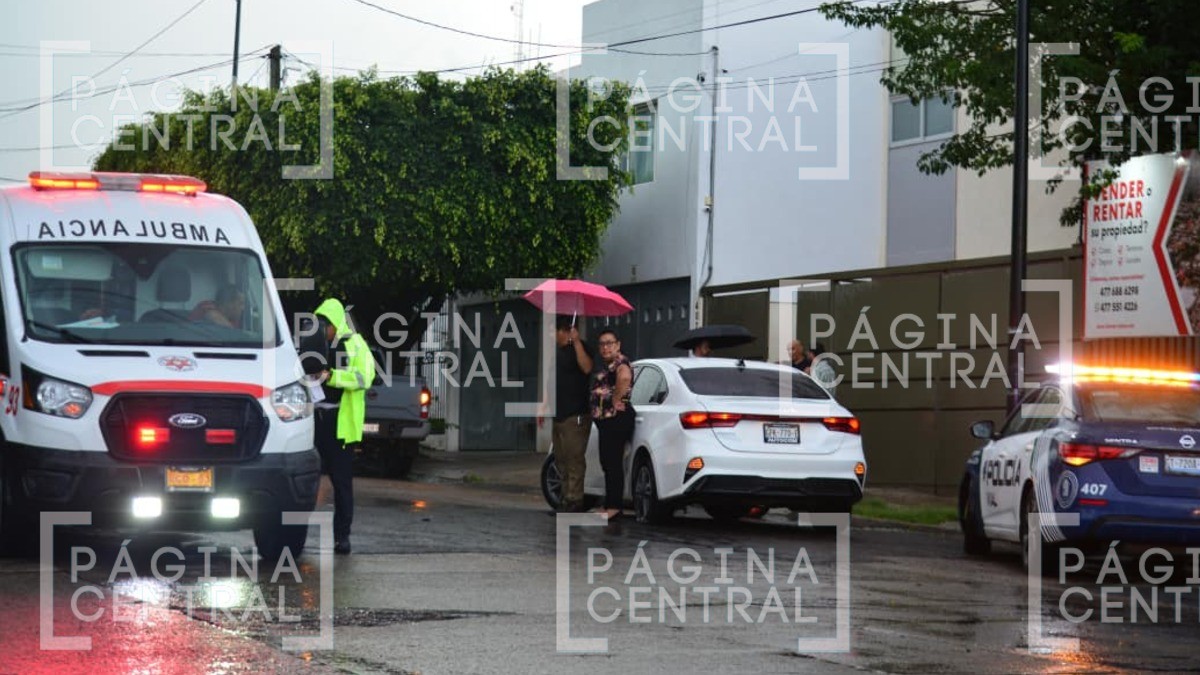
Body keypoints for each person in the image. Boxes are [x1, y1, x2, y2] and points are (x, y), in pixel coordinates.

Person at [312, 298, 374, 554]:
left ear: (335, 324)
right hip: (316, 421)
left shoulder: (356, 344)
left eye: (324, 325)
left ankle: (342, 537)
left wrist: (332, 377)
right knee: (302, 483)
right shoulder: (315, 346)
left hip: (341, 424)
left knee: (342, 484)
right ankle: (290, 536)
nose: (321, 330)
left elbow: (365, 377)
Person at [542, 317, 594, 513]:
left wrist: (577, 341)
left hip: (576, 414)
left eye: (552, 331)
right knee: (561, 459)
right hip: (559, 414)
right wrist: (544, 405)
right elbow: (550, 380)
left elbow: (587, 367)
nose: (550, 335)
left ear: (564, 331)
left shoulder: (581, 349)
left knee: (574, 459)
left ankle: (575, 500)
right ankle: (564, 498)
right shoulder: (557, 353)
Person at [589, 328, 635, 520]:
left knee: (613, 462)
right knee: (607, 462)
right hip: (607, 420)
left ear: (618, 345)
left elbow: (624, 378)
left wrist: (616, 401)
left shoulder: (620, 363)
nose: (605, 347)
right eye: (602, 344)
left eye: (609, 343)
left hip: (616, 419)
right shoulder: (608, 366)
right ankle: (609, 504)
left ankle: (614, 506)